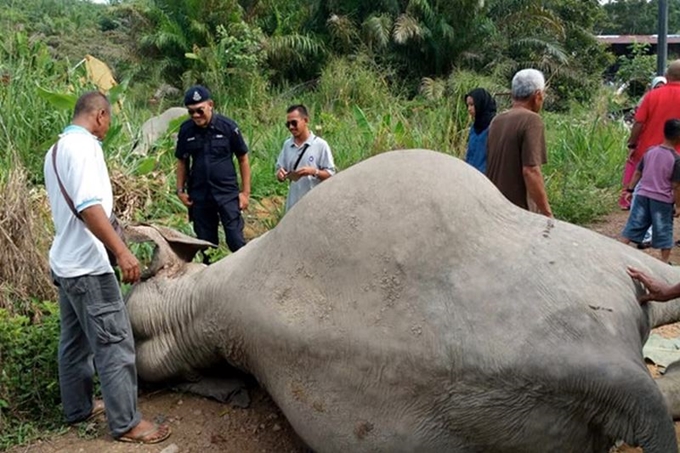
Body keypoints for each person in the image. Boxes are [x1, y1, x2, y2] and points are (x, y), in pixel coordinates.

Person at [43, 92, 171, 444]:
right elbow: (88, 206)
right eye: (109, 119)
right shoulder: (85, 149)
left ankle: (78, 408)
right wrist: (122, 253)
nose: (108, 127)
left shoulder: (55, 151)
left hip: (66, 264)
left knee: (74, 342)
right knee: (114, 343)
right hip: (88, 267)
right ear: (99, 115)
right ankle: (127, 423)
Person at [175, 85, 251, 261]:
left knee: (236, 241)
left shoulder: (228, 127)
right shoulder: (186, 130)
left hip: (226, 194)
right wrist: (180, 191)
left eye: (199, 111)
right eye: (191, 112)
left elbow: (243, 158)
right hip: (200, 196)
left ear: (210, 105)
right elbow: (182, 161)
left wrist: (245, 193)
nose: (195, 116)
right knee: (207, 246)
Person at [486, 68, 553, 217]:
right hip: (517, 210)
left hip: (494, 204)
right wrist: (547, 213)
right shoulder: (532, 120)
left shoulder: (497, 120)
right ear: (537, 95)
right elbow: (531, 171)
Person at [620, 119, 680, 263]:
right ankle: (664, 263)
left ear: (664, 133)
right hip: (662, 201)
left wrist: (629, 190)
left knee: (633, 226)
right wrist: (678, 205)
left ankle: (618, 254)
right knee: (664, 231)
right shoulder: (676, 159)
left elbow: (637, 173)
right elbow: (676, 186)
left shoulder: (650, 151)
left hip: (642, 195)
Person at [623, 61, 680, 211]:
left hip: (651, 154)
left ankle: (644, 228)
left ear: (667, 76)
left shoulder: (652, 96)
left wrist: (632, 144)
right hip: (678, 155)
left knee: (647, 193)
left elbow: (639, 123)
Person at [620, 75, 669, 210]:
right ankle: (630, 198)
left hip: (664, 146)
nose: (660, 89)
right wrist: (633, 144)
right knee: (638, 172)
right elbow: (638, 123)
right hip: (647, 145)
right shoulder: (648, 100)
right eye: (657, 87)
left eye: (662, 86)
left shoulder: (656, 99)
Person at [276, 104, 336, 212]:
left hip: (314, 207)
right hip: (292, 206)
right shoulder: (287, 145)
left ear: (306, 120)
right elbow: (280, 170)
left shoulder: (320, 145)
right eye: (288, 124)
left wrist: (313, 171)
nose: (291, 127)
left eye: (294, 123)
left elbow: (331, 174)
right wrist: (280, 175)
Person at [464, 88, 497, 173]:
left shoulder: (494, 126)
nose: (469, 109)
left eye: (472, 105)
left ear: (480, 104)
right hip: (470, 173)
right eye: (468, 105)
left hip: (486, 177)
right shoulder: (474, 127)